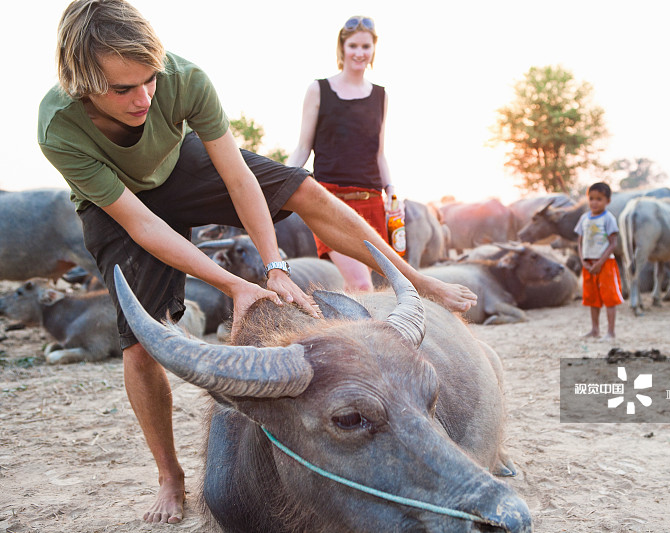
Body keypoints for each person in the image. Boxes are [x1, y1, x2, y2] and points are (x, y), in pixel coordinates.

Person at [38, 0, 476, 524]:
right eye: (123, 89)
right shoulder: (58, 128)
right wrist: (232, 285)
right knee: (140, 342)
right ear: (80, 81)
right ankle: (170, 476)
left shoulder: (184, 78)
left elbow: (240, 178)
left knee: (305, 190)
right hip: (122, 205)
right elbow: (144, 225)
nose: (144, 97)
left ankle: (414, 278)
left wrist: (274, 267)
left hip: (178, 164)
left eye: (150, 80)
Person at [287, 15, 401, 292]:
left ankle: (346, 335)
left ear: (374, 49)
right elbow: (303, 147)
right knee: (362, 285)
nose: (360, 53)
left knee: (364, 286)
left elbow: (379, 152)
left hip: (372, 200)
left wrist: (393, 192)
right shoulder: (318, 89)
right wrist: (280, 181)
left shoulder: (381, 95)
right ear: (342, 48)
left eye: (366, 47)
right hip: (329, 200)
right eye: (353, 46)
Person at [574, 182, 624, 340]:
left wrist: (600, 263)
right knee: (592, 299)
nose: (594, 202)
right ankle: (595, 330)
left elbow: (613, 243)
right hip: (588, 264)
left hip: (605, 264)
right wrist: (583, 260)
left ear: (607, 201)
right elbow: (580, 242)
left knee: (609, 300)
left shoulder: (608, 219)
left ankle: (611, 332)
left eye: (599, 199)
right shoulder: (584, 218)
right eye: (591, 198)